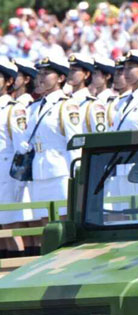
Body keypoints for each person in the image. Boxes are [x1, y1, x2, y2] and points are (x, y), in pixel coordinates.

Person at [21, 56, 83, 227]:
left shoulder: (66, 106)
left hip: (60, 172)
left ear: (61, 78)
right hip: (39, 171)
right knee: (45, 224)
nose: (40, 77)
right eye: (39, 72)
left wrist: (76, 175)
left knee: (63, 222)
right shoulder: (34, 107)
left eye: (47, 73)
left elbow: (74, 144)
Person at [0, 58, 28, 254]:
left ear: (9, 82)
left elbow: (22, 147)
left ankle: (18, 268)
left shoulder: (13, 109)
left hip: (7, 173)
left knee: (10, 226)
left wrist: (18, 180)